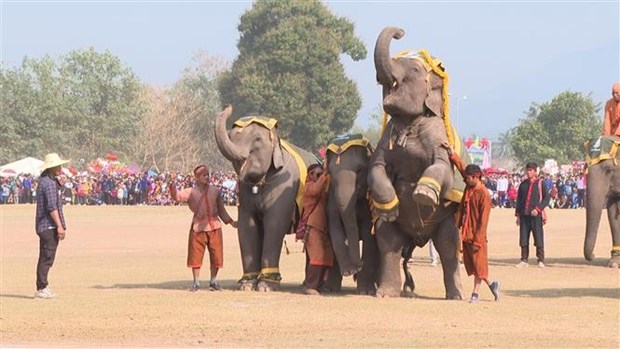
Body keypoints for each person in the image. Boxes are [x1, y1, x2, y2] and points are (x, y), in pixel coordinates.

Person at [445, 145, 500, 304]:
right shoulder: (470, 185)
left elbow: (483, 221)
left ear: (476, 177)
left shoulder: (484, 195)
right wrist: (452, 154)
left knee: (479, 265)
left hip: (478, 237)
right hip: (466, 232)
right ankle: (493, 285)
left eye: (468, 178)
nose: (465, 180)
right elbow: (463, 168)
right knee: (475, 266)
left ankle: (475, 294)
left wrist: (478, 239)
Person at [169, 165, 237, 292]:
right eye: (204, 175)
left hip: (215, 226)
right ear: (197, 177)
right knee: (195, 256)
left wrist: (231, 222)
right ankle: (196, 282)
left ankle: (213, 281)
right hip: (198, 227)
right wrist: (172, 184)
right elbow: (176, 197)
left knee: (216, 255)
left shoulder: (215, 191)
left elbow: (221, 209)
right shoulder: (190, 192)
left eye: (208, 175)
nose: (207, 177)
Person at [34, 153, 70, 299]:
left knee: (47, 256)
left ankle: (43, 285)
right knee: (46, 257)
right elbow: (52, 207)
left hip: (46, 225)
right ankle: (41, 287)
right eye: (58, 166)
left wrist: (60, 183)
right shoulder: (48, 183)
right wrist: (60, 226)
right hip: (48, 225)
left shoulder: (47, 180)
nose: (61, 168)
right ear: (52, 167)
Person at [300, 164, 333, 295]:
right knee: (317, 256)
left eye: (321, 174)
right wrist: (325, 174)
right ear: (310, 175)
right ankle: (311, 285)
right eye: (317, 174)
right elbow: (316, 189)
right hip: (313, 226)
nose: (320, 176)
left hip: (324, 228)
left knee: (328, 257)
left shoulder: (323, 188)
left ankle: (322, 284)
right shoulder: (308, 187)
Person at [515, 162, 551, 268]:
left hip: (536, 215)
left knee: (538, 237)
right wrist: (518, 215)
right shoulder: (523, 184)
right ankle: (524, 259)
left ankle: (540, 259)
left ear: (535, 171)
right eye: (527, 170)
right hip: (524, 215)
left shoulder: (541, 183)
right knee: (523, 238)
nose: (528, 172)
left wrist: (538, 209)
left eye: (531, 170)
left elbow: (546, 198)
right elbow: (519, 200)